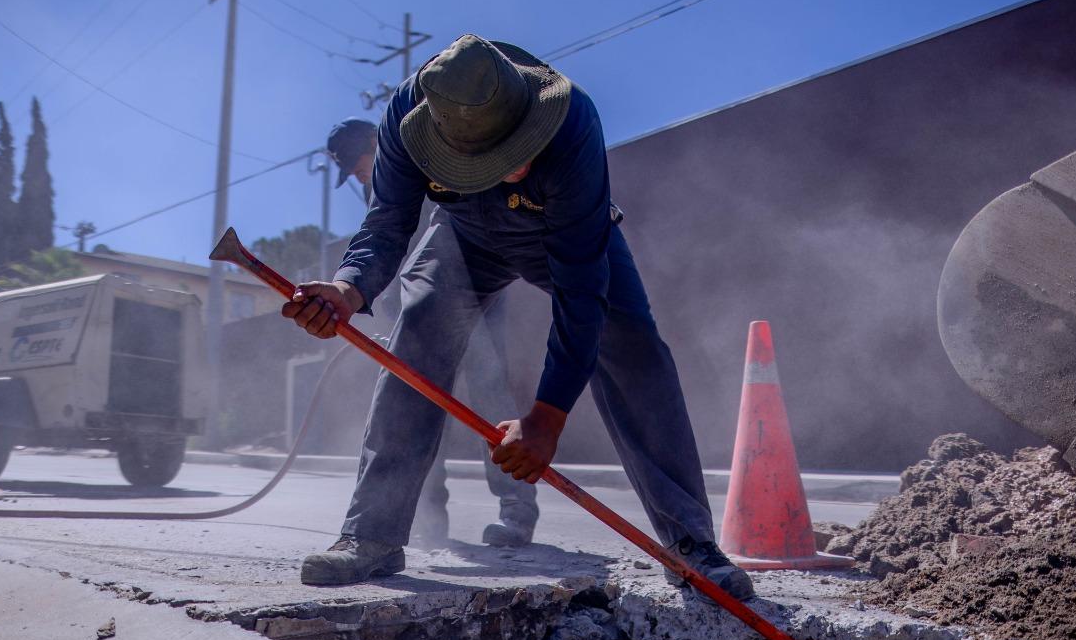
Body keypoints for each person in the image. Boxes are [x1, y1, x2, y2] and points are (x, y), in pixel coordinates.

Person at [284, 35, 753, 602]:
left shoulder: (573, 117)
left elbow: (582, 293)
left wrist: (546, 419)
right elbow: (387, 224)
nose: (519, 165)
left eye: (522, 149)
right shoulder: (407, 117)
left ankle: (690, 544)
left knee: (631, 344)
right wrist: (347, 288)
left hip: (564, 231)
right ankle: (371, 537)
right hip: (461, 234)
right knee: (418, 336)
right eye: (498, 158)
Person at [323, 118, 539, 548]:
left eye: (358, 161)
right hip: (418, 311)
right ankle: (428, 517)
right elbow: (388, 249)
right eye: (350, 170)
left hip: (475, 297)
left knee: (489, 399)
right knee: (416, 401)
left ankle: (517, 513)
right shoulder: (378, 187)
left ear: (374, 140)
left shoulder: (418, 155)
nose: (358, 173)